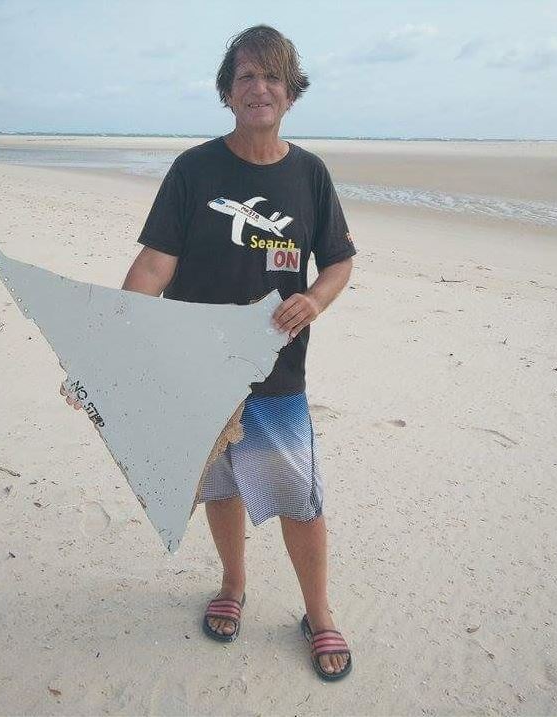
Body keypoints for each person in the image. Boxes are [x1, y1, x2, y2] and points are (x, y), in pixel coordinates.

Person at [64, 24, 355, 681]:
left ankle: (320, 611)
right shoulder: (194, 171)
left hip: (277, 374)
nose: (260, 87)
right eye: (246, 76)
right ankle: (232, 581)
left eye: (273, 76)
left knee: (300, 498)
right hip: (196, 370)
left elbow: (339, 261)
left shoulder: (309, 175)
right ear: (227, 91)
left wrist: (314, 299)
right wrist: (109, 338)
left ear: (291, 92)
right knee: (222, 482)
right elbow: (153, 266)